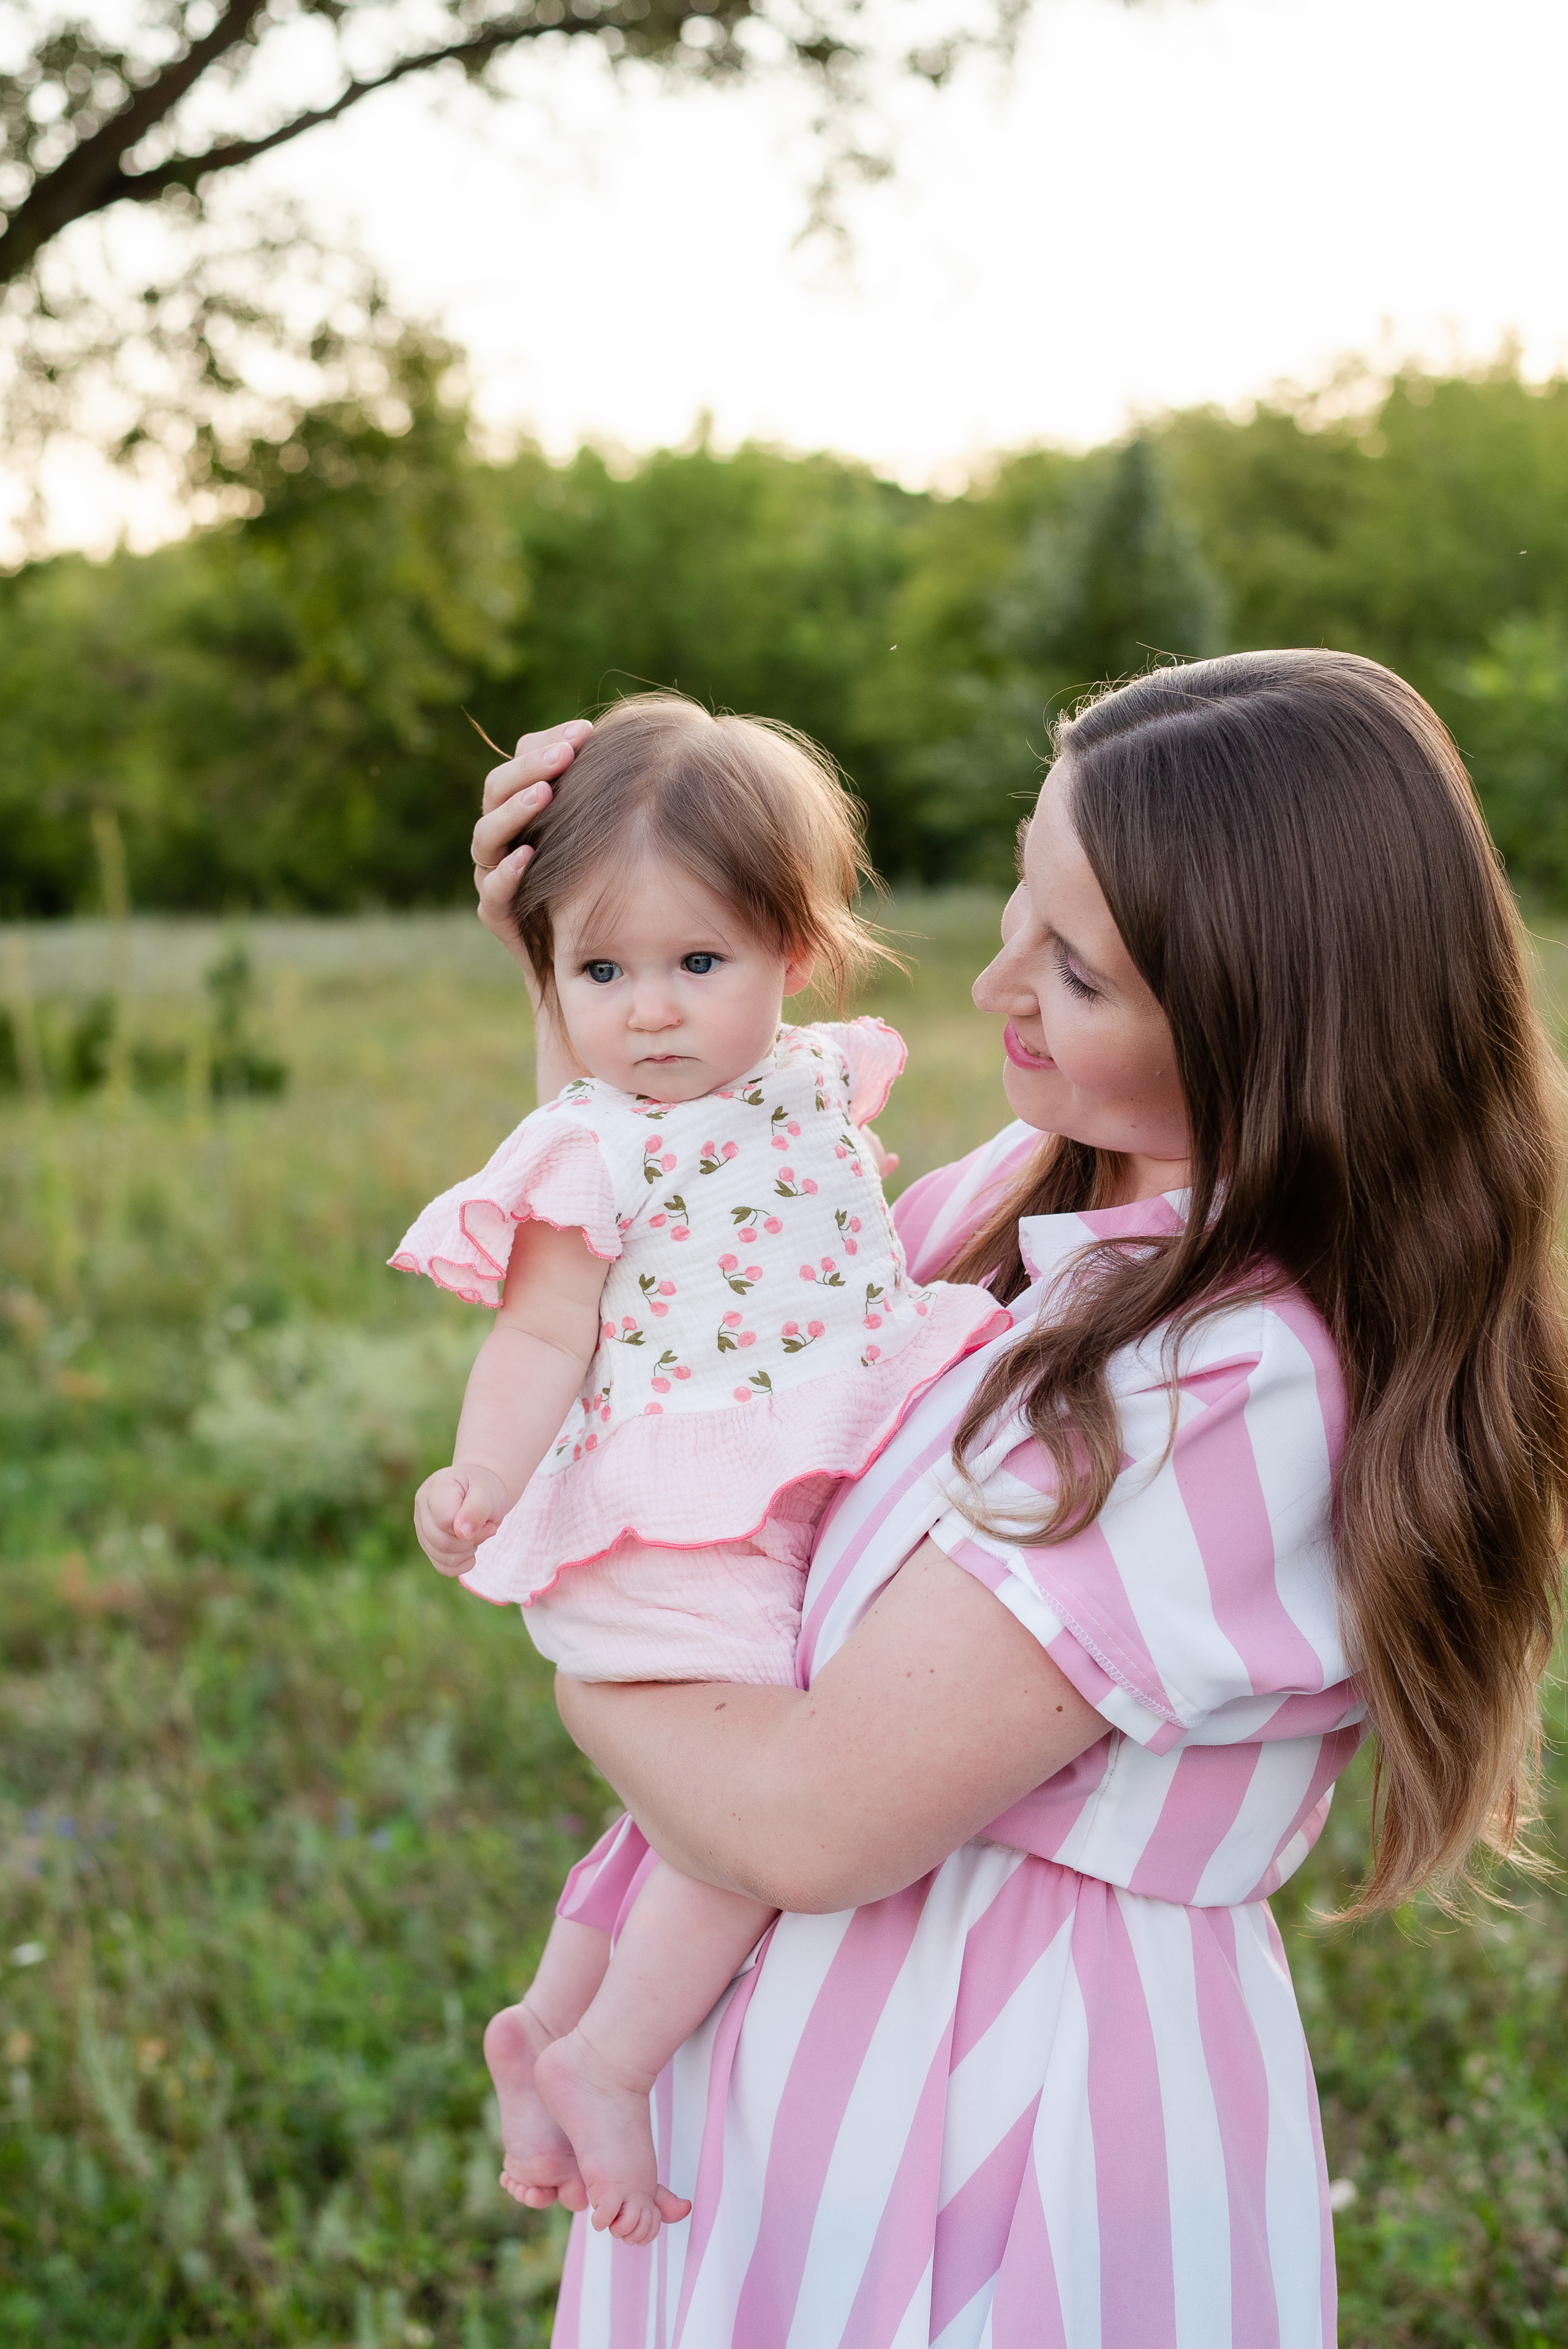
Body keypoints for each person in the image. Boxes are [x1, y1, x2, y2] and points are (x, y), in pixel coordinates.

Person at [468, 652, 1568, 2347]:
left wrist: (582, 1652)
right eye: (1019, 900)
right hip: (788, 2069)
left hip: (1002, 2110)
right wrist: (575, 977)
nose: (996, 984)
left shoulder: (1244, 1386)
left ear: (1268, 1014)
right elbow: (673, 1302)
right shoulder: (1022, 1201)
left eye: (1079, 970)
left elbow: (806, 1820)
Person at [392, 694, 1004, 2244]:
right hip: (670, 1516)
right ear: (554, 974)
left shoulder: (800, 1079)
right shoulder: (594, 1141)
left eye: (695, 964)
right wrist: (478, 1477)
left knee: (680, 1811)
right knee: (744, 1822)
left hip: (763, 1503)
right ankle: (608, 2063)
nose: (647, 1012)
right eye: (600, 973)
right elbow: (540, 1337)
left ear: (791, 954)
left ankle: (543, 2023)